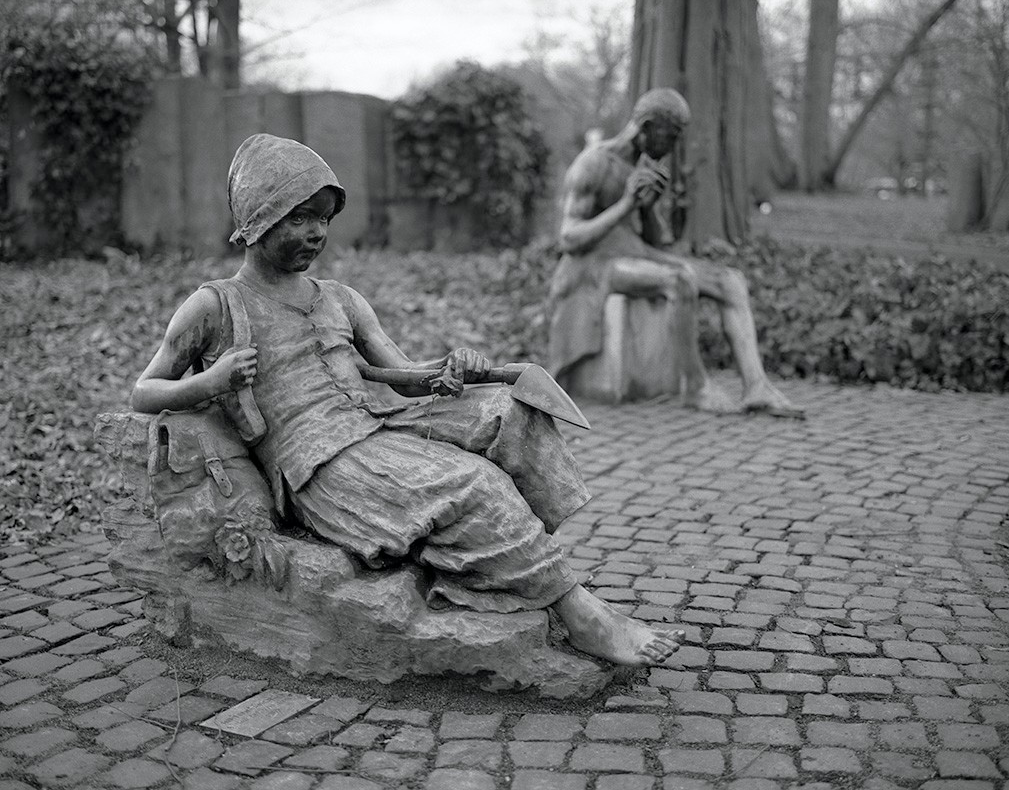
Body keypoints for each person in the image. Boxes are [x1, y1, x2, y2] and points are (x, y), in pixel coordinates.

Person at [131, 133, 683, 668]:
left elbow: (403, 375)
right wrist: (211, 381)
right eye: (299, 218)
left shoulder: (340, 299)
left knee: (510, 412)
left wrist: (451, 369)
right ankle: (579, 612)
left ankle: (515, 559)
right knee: (473, 482)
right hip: (319, 463)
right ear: (257, 221)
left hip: (375, 420)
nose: (316, 233)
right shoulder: (215, 306)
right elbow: (144, 392)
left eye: (323, 219)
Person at [550, 87, 803, 417]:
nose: (673, 147)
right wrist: (627, 203)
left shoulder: (643, 166)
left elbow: (654, 243)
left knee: (731, 280)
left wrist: (649, 206)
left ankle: (757, 386)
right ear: (649, 126)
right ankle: (695, 387)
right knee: (680, 279)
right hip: (593, 265)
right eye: (670, 137)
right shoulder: (594, 163)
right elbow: (568, 239)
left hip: (634, 253)